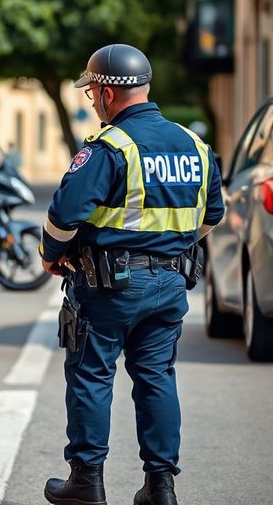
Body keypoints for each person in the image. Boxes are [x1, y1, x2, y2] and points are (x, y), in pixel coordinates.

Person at [39, 44, 225, 505]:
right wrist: (172, 244)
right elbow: (212, 214)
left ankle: (86, 481)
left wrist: (50, 255)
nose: (93, 102)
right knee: (157, 376)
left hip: (110, 287)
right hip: (170, 283)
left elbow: (64, 215)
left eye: (92, 93)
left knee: (92, 375)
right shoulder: (194, 145)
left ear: (105, 93)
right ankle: (161, 487)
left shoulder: (110, 147)